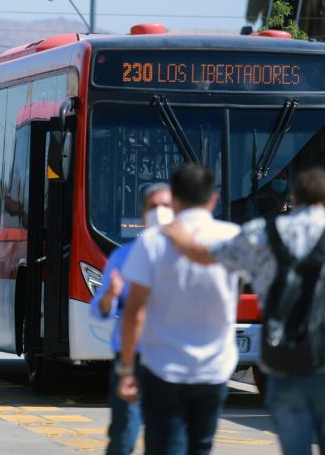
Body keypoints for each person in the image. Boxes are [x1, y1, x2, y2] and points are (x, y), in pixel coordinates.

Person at [163, 166, 325, 455]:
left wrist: (183, 242)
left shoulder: (262, 233)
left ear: (294, 197)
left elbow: (209, 256)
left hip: (285, 362)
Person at [117, 164, 241, 455]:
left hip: (164, 368)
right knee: (201, 447)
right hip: (214, 368)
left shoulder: (152, 241)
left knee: (166, 447)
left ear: (173, 198)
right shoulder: (233, 236)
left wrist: (126, 369)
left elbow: (134, 310)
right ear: (214, 198)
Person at [90, 183, 173, 455]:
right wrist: (111, 295)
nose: (160, 212)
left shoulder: (187, 256)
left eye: (166, 206)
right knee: (124, 434)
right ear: (143, 215)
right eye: (154, 207)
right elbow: (100, 310)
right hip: (132, 358)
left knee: (164, 438)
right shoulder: (124, 255)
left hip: (170, 359)